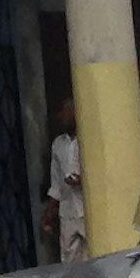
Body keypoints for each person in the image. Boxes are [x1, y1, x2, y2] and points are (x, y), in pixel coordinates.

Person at [43, 93, 86, 261]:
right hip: (68, 212)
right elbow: (56, 184)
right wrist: (49, 212)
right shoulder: (58, 144)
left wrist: (83, 181)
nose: (61, 117)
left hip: (87, 210)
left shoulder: (88, 140)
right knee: (70, 260)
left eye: (65, 112)